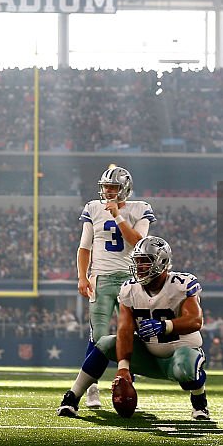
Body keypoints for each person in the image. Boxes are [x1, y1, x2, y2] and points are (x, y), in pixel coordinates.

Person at [58, 236, 209, 421]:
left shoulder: (180, 284)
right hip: (147, 355)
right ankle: (72, 397)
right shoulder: (130, 289)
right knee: (105, 343)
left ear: (161, 262)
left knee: (186, 369)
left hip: (178, 355)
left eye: (145, 262)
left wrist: (165, 326)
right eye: (137, 262)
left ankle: (199, 400)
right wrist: (123, 368)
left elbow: (195, 321)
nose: (139, 267)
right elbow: (125, 330)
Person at [76, 165, 154, 408]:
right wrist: (82, 276)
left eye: (113, 187)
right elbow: (84, 247)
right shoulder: (93, 207)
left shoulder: (140, 209)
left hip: (130, 280)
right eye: (106, 187)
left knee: (130, 333)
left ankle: (127, 382)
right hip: (101, 277)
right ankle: (91, 387)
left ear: (125, 189)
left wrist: (117, 216)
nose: (108, 191)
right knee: (98, 335)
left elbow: (138, 243)